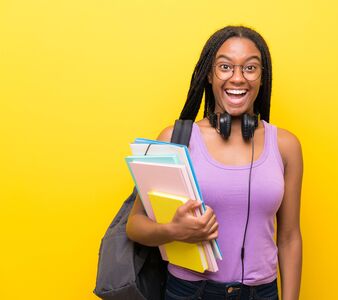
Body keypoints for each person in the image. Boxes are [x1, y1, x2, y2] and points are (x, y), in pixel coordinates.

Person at [126, 25, 303, 300]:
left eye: (250, 68)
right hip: (190, 292)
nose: (237, 78)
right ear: (209, 74)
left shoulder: (286, 146)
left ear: (261, 78)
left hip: (262, 293)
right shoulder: (177, 139)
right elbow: (134, 225)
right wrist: (173, 231)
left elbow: (290, 237)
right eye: (225, 67)